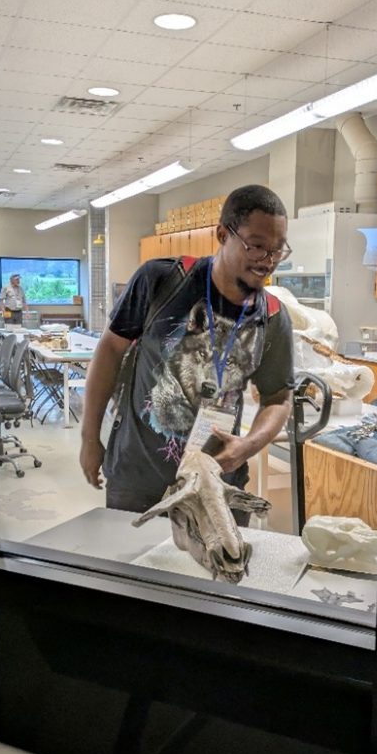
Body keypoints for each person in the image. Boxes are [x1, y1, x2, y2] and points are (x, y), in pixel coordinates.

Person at [79, 184, 294, 516]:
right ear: (223, 233)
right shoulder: (162, 279)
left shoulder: (273, 317)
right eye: (256, 246)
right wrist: (89, 438)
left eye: (277, 250)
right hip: (138, 482)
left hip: (217, 485)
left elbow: (278, 396)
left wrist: (247, 447)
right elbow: (109, 350)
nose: (267, 261)